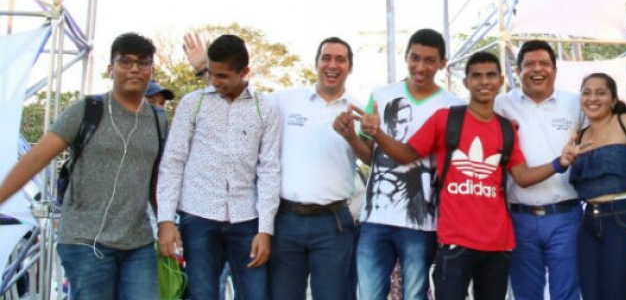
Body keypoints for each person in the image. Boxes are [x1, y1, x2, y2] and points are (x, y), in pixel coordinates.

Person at [357, 51, 577, 300]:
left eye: (491, 76)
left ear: (500, 80)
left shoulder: (507, 128)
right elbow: (407, 154)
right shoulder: (446, 119)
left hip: (498, 244)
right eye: (477, 76)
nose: (484, 82)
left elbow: (523, 176)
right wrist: (377, 134)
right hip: (455, 241)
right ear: (466, 82)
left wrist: (560, 162)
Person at [0, 33, 168, 299]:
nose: (135, 68)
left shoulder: (158, 120)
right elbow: (35, 159)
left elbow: (156, 178)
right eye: (125, 62)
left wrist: (166, 222)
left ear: (151, 70)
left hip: (138, 243)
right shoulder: (87, 110)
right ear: (111, 69)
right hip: (85, 240)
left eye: (143, 62)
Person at [157, 34, 283, 300]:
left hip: (247, 218)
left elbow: (270, 170)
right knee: (202, 294)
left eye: (223, 76)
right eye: (211, 74)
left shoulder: (265, 108)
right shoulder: (194, 103)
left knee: (256, 294)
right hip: (199, 215)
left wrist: (265, 230)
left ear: (244, 72)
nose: (215, 81)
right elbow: (173, 162)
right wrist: (166, 220)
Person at [345, 29, 464, 300]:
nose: (420, 66)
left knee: (414, 296)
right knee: (370, 295)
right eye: (415, 57)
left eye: (430, 60)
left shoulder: (454, 106)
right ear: (406, 56)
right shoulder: (381, 95)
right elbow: (368, 156)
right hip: (375, 219)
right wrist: (350, 135)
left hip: (421, 223)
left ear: (442, 63)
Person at [262, 37, 365, 300]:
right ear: (317, 63)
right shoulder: (285, 101)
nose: (332, 65)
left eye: (340, 59)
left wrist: (352, 136)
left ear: (350, 67)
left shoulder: (358, 110)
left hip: (333, 224)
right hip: (286, 220)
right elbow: (246, 101)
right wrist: (205, 70)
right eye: (326, 58)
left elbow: (373, 159)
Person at [494, 40, 583, 300]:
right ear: (518, 70)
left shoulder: (575, 103)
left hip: (566, 216)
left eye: (544, 63)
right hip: (519, 218)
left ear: (555, 70)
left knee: (566, 293)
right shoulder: (501, 105)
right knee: (525, 294)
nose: (537, 69)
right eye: (529, 64)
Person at [570, 73, 626, 300]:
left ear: (613, 99)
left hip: (623, 218)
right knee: (590, 294)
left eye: (601, 93)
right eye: (587, 92)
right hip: (588, 220)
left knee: (618, 293)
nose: (593, 98)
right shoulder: (578, 136)